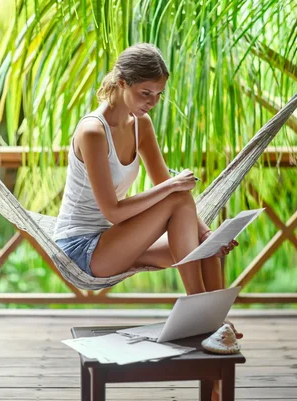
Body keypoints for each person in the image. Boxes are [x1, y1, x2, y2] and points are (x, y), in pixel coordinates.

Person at [52, 42, 242, 337]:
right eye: (145, 93)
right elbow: (114, 212)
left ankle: (214, 338)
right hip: (81, 250)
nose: (152, 102)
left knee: (207, 250)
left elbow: (173, 193)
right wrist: (171, 187)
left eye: (158, 95)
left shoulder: (141, 124)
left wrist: (207, 234)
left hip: (114, 241)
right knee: (177, 196)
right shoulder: (93, 131)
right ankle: (207, 320)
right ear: (121, 82)